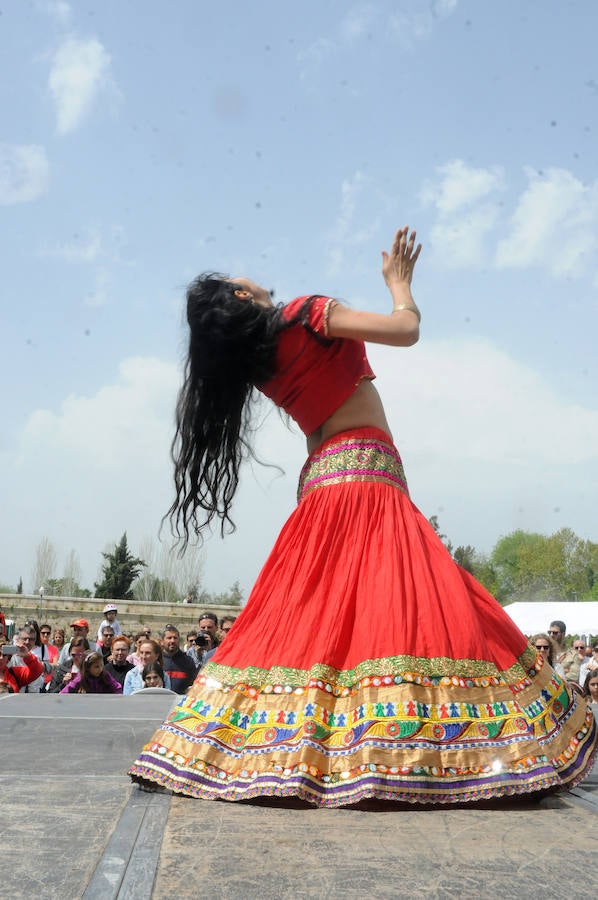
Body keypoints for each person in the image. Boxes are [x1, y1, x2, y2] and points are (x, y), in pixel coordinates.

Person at [130, 227, 598, 805]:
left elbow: (313, 427)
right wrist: (401, 287)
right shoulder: (307, 313)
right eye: (237, 278)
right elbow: (406, 330)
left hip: (322, 485)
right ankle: (422, 750)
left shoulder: (261, 364)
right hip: (370, 474)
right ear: (243, 298)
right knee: (414, 606)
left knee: (321, 626)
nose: (247, 276)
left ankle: (275, 748)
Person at [161, 625, 197, 693]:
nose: (172, 641)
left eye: (175, 638)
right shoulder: (157, 661)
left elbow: (193, 684)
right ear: (162, 641)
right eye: (169, 638)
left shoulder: (188, 661)